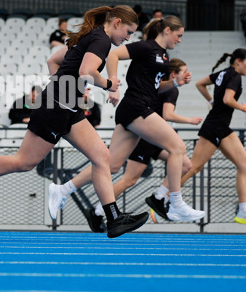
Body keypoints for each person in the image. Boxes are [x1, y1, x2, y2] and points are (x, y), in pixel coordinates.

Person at [0, 5, 150, 239]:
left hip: (67, 107)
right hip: (56, 108)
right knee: (24, 162)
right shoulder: (101, 40)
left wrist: (66, 88)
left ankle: (113, 218)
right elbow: (86, 71)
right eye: (129, 32)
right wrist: (108, 84)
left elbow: (54, 60)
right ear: (117, 22)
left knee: (102, 157)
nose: (128, 37)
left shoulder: (89, 35)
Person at [49, 58, 203, 231]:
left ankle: (92, 203)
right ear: (173, 74)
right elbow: (167, 114)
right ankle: (151, 200)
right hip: (145, 132)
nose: (189, 75)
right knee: (127, 176)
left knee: (181, 163)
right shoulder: (169, 89)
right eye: (185, 72)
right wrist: (189, 120)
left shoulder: (159, 85)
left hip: (148, 131)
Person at [180, 48, 246, 226]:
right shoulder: (234, 75)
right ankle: (163, 197)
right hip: (215, 126)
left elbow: (200, 84)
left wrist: (211, 102)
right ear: (238, 61)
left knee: (244, 164)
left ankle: (243, 211)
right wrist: (242, 107)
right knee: (194, 167)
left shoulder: (223, 73)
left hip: (221, 127)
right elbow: (227, 99)